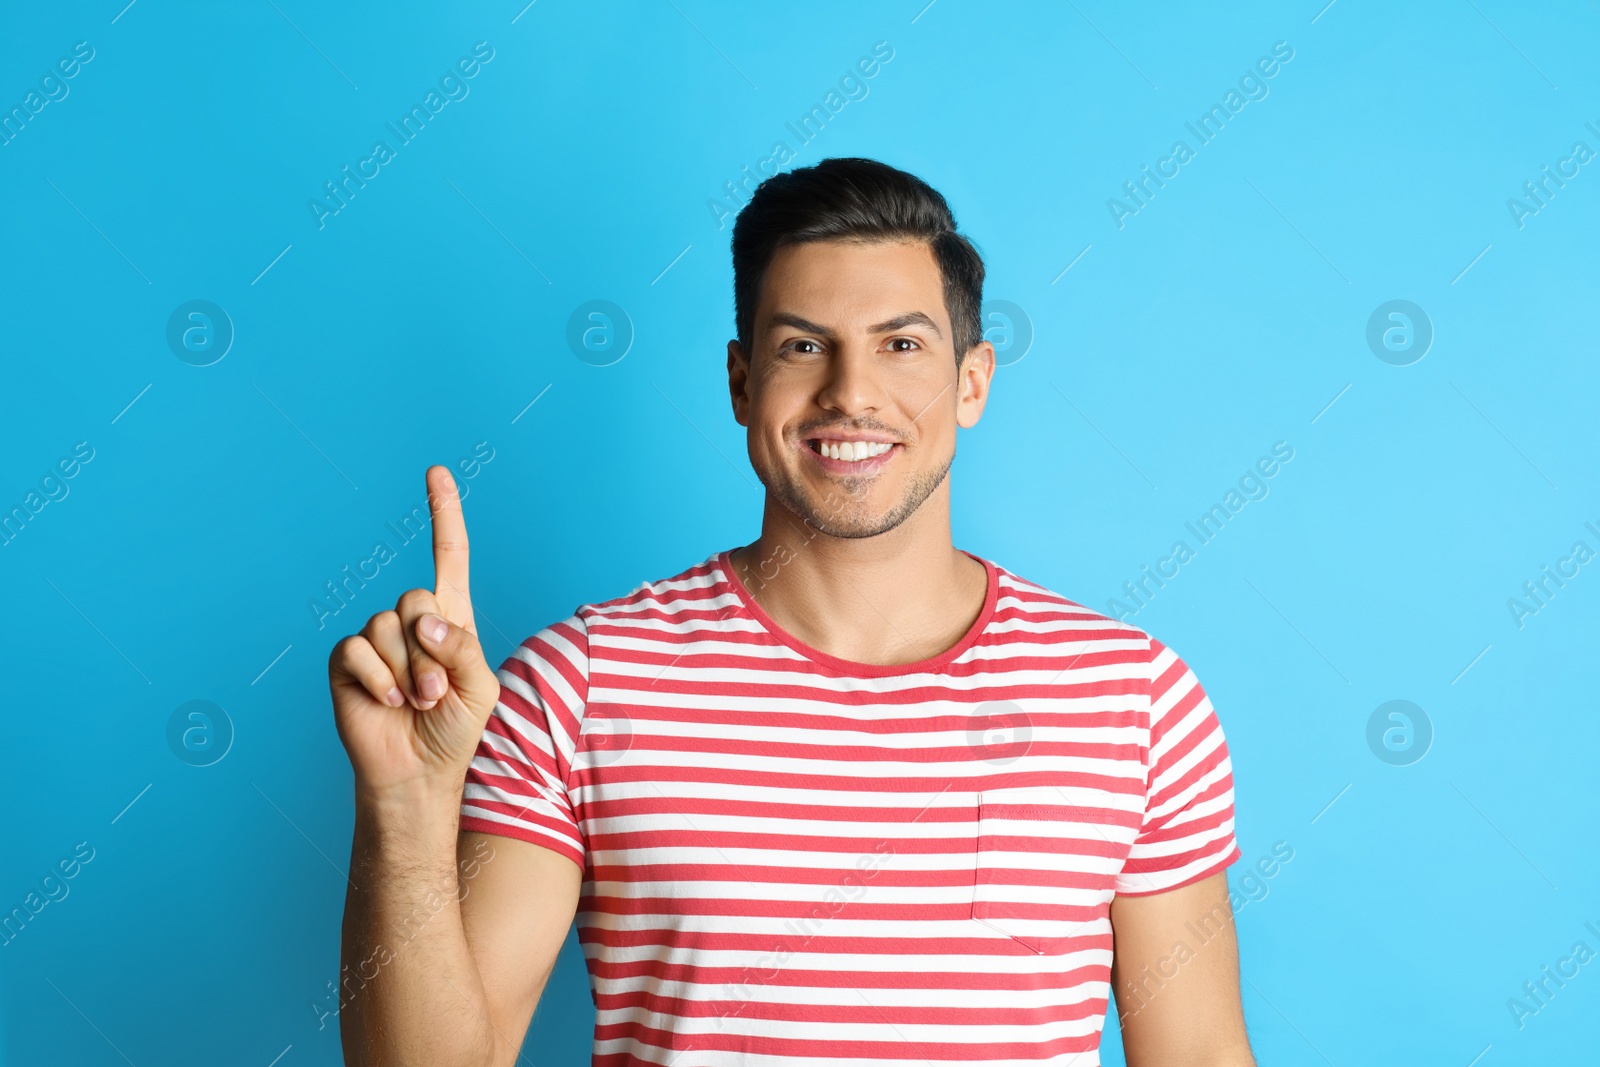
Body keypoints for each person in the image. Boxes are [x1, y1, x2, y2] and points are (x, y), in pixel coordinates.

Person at [330, 157, 1255, 1066]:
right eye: (803, 345)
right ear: (741, 383)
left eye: (902, 344)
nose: (851, 392)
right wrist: (406, 807)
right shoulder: (575, 688)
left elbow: (1202, 1053)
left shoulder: (1134, 700)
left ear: (972, 382)